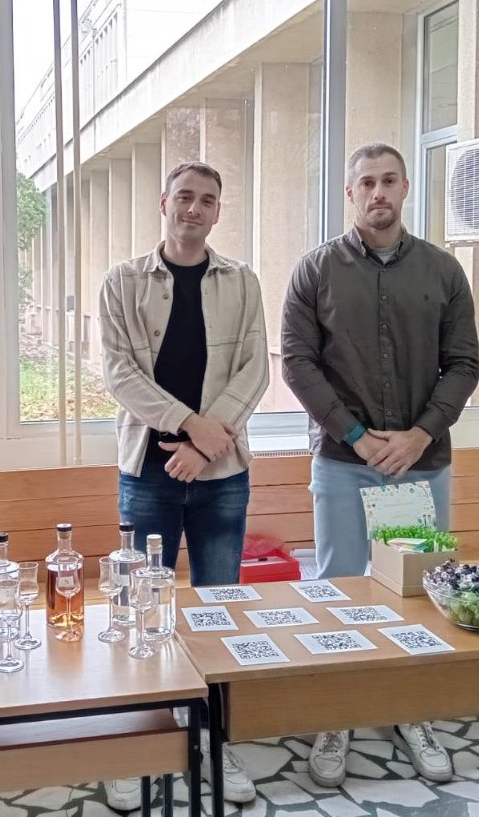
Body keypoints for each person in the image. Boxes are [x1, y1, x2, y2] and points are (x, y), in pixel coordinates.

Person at [281, 143, 479, 788]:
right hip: (345, 461)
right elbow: (298, 363)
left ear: (405, 188)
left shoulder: (444, 271)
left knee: (415, 591)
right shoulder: (314, 271)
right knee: (340, 588)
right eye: (366, 182)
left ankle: (410, 710)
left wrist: (420, 435)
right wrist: (357, 436)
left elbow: (464, 364)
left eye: (389, 180)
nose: (378, 193)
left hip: (420, 465)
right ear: (350, 193)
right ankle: (338, 713)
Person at [98, 160, 269, 810]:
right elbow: (118, 373)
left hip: (221, 473)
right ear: (163, 202)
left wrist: (205, 444)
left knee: (219, 609)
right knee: (139, 610)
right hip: (147, 471)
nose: (194, 209)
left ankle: (216, 741)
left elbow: (255, 369)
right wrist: (189, 425)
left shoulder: (241, 282)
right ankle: (136, 744)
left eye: (208, 200)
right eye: (184, 197)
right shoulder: (122, 282)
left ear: (218, 211)